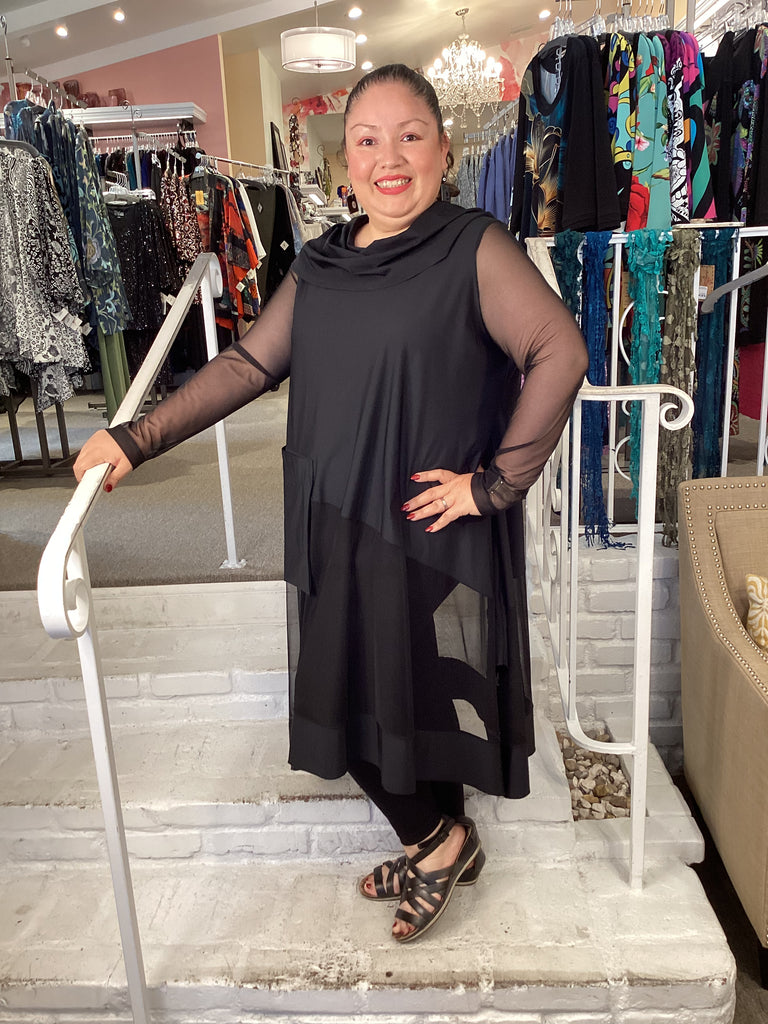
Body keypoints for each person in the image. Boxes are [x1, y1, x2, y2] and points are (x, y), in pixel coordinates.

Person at [74, 64, 588, 943]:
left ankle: (435, 839)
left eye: (410, 137)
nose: (390, 158)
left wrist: (493, 484)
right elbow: (248, 365)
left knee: (361, 693)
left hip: (420, 523)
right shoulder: (321, 264)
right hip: (336, 514)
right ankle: (446, 839)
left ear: (444, 150)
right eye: (367, 140)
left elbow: (560, 351)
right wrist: (137, 437)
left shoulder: (472, 246)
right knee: (386, 682)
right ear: (346, 160)